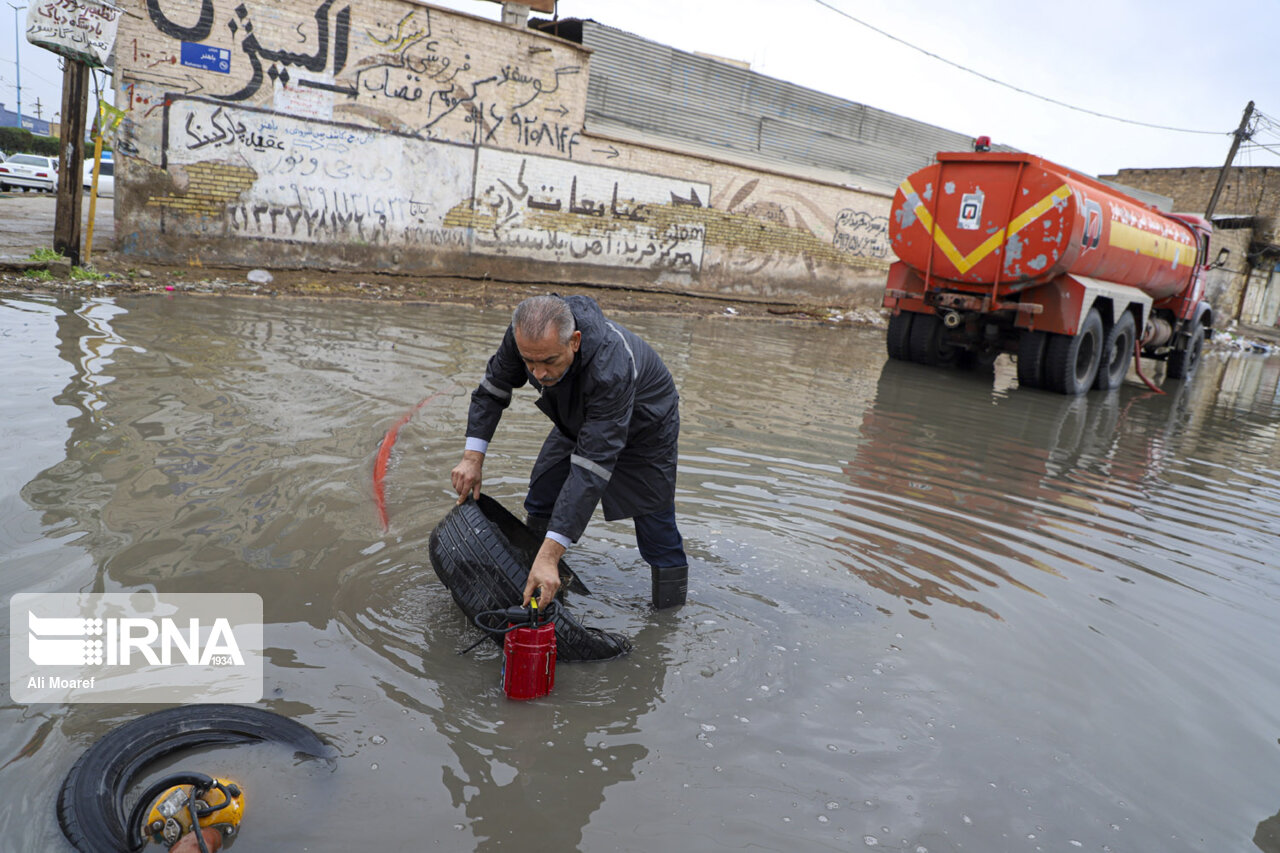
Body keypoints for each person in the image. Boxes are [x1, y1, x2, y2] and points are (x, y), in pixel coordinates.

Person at [451, 294, 688, 610]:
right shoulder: (523, 336)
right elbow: (492, 390)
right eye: (529, 362)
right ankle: (541, 591)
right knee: (542, 496)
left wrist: (551, 553)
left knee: (655, 529)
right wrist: (472, 459)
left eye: (549, 361)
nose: (538, 374)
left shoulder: (612, 365)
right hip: (580, 416)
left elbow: (592, 467)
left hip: (646, 426)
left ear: (575, 341)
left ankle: (667, 620)